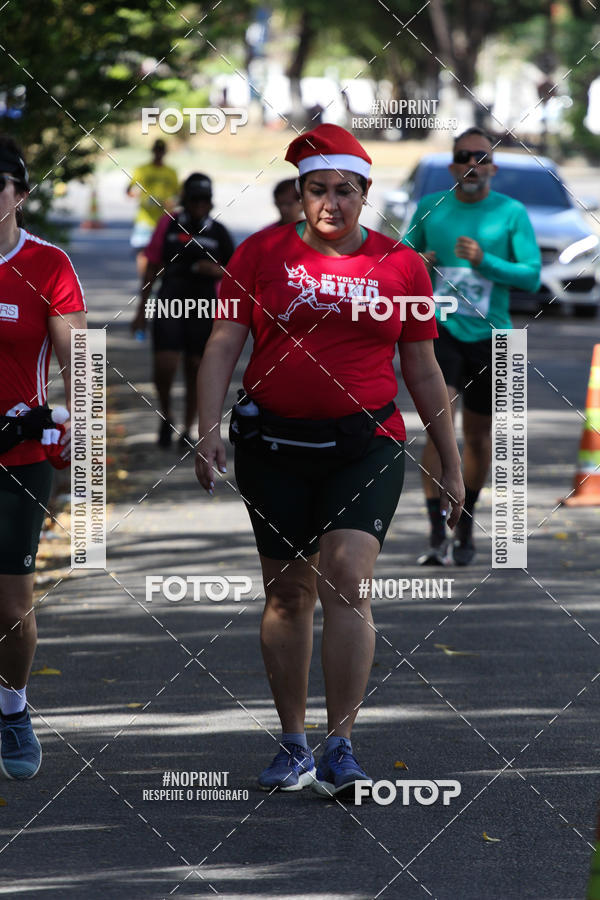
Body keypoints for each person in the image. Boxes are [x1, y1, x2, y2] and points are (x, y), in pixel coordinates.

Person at [195, 124, 464, 799]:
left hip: (364, 445)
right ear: (299, 195)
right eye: (318, 190)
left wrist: (450, 463)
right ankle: (294, 745)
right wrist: (206, 430)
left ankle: (341, 744)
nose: (332, 203)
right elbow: (224, 344)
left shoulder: (402, 265)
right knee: (288, 592)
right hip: (274, 447)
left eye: (345, 191)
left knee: (347, 576)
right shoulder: (259, 256)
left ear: (365, 193)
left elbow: (424, 370)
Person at [404, 127, 541, 566]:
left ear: (493, 168)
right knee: (437, 426)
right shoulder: (431, 207)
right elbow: (399, 260)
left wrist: (486, 261)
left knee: (478, 437)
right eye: (464, 157)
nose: (473, 165)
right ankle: (434, 529)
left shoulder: (512, 212)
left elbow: (532, 277)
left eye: (481, 158)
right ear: (452, 166)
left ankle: (465, 522)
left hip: (494, 337)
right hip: (439, 332)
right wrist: (419, 262)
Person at [0, 135, 86, 778]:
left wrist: (74, 432)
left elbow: (79, 366)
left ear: (19, 195)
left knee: (11, 606)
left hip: (18, 453)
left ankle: (12, 707)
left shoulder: (48, 265)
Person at [132, 173, 234, 449]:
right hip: (169, 301)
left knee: (195, 368)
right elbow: (151, 265)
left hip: (204, 306)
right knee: (165, 365)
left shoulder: (218, 231)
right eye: (194, 199)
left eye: (205, 200)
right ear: (185, 200)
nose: (200, 205)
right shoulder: (169, 224)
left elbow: (236, 274)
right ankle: (166, 417)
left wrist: (214, 271)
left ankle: (189, 429)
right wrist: (141, 310)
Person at [126, 139, 179, 277]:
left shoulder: (171, 172)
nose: (159, 154)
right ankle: (145, 282)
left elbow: (179, 195)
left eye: (161, 151)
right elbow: (129, 191)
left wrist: (171, 203)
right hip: (145, 218)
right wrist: (139, 197)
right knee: (143, 253)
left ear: (165, 152)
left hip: (165, 220)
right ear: (153, 151)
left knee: (163, 255)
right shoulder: (142, 170)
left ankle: (158, 286)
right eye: (157, 150)